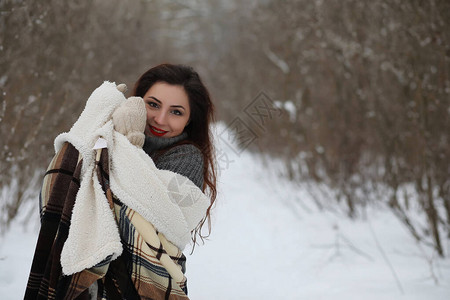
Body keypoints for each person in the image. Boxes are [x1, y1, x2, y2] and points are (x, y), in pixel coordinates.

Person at [25, 64, 217, 299]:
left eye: (176, 112)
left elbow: (143, 218)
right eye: (153, 104)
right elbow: (66, 182)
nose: (160, 119)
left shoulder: (187, 157)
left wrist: (129, 142)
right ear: (137, 101)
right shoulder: (107, 138)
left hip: (144, 281)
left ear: (189, 120)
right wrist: (96, 115)